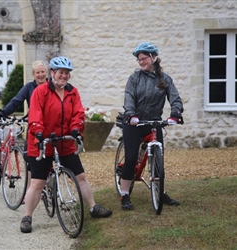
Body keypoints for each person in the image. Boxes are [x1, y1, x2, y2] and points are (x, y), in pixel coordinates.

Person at [20, 56, 112, 233]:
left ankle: (93, 208)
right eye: (60, 72)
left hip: (65, 143)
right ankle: (27, 217)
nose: (63, 76)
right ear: (52, 73)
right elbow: (35, 115)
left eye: (67, 73)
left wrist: (76, 129)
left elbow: (78, 113)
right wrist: (38, 132)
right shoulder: (41, 91)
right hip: (42, 143)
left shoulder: (72, 92)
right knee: (37, 183)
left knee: (81, 177)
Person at [120, 42, 184, 210]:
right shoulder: (134, 78)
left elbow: (175, 98)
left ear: (153, 57)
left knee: (158, 159)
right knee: (132, 158)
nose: (141, 62)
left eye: (144, 58)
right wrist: (131, 115)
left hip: (154, 122)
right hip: (133, 123)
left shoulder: (165, 79)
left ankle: (160, 192)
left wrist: (176, 114)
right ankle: (125, 194)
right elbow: (129, 98)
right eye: (139, 59)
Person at [0, 60, 48, 190]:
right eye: (37, 72)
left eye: (42, 72)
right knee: (30, 157)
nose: (40, 75)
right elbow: (16, 101)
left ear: (47, 73)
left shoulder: (52, 86)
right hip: (35, 125)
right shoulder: (29, 87)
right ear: (33, 75)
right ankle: (30, 190)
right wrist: (3, 112)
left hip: (51, 125)